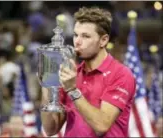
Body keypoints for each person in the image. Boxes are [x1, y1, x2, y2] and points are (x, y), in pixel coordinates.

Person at [40, 7, 136, 137]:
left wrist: (73, 91)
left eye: (85, 36)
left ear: (104, 40)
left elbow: (101, 126)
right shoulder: (72, 74)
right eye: (75, 35)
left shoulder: (121, 74)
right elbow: (50, 129)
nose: (77, 42)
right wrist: (48, 86)